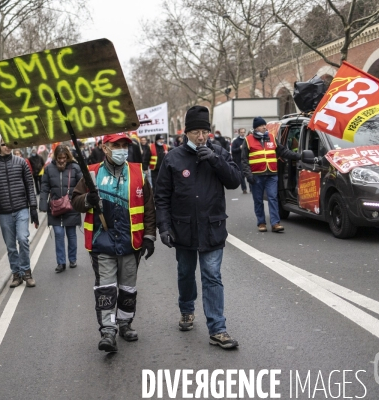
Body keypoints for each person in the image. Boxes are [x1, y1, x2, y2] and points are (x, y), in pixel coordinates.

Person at [155, 106, 242, 350]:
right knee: (185, 273)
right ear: (186, 133)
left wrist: (215, 161)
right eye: (195, 132)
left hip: (212, 227)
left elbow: (234, 181)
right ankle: (186, 309)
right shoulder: (173, 158)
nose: (201, 137)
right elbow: (161, 196)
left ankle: (218, 328)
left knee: (212, 275)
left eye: (205, 131)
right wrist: (164, 227)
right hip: (183, 230)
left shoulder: (219, 153)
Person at [71, 132, 156, 353]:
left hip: (131, 243)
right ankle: (108, 330)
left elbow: (148, 208)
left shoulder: (138, 173)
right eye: (115, 145)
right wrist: (87, 200)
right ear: (105, 147)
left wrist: (149, 236)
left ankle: (125, 324)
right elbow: (75, 201)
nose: (121, 149)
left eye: (123, 145)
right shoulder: (91, 173)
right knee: (106, 289)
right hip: (102, 243)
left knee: (128, 289)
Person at [0, 136, 39, 288]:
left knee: (22, 239)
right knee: (10, 246)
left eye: (9, 144)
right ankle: (16, 274)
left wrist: (33, 208)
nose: (7, 147)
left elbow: (29, 185)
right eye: (3, 144)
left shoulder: (21, 162)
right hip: (4, 212)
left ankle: (26, 272)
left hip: (21, 208)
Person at [242, 117, 301, 233]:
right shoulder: (248, 140)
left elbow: (283, 151)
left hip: (272, 174)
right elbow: (244, 160)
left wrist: (298, 156)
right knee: (258, 200)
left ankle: (275, 223)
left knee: (273, 198)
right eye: (261, 125)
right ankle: (261, 223)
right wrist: (248, 175)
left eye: (265, 125)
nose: (264, 127)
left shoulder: (272, 138)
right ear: (255, 128)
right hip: (256, 175)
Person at [39, 145, 83, 272]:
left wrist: (80, 199)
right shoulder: (49, 169)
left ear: (68, 156)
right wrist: (42, 204)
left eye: (64, 157)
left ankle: (73, 259)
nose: (62, 160)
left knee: (71, 234)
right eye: (59, 158)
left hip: (71, 206)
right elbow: (45, 187)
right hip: (55, 206)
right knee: (58, 234)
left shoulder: (75, 167)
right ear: (55, 157)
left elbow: (82, 184)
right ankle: (61, 262)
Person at [231, 128, 248, 194]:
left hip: (247, 159)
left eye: (243, 132)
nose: (242, 133)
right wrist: (239, 148)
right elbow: (233, 150)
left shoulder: (247, 140)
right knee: (242, 175)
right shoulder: (236, 141)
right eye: (241, 132)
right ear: (239, 133)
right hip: (239, 160)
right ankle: (244, 189)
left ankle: (252, 188)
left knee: (249, 174)